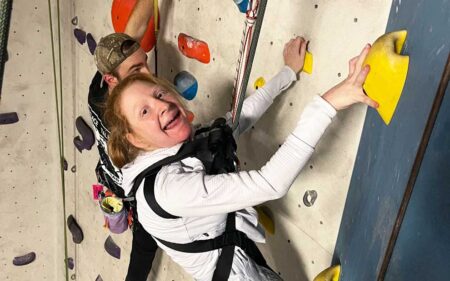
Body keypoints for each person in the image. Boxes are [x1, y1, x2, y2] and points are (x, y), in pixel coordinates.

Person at [104, 37, 378, 281]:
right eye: (144, 112)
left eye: (159, 94)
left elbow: (236, 121)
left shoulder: (173, 148)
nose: (161, 106)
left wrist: (287, 72)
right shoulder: (167, 189)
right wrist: (328, 103)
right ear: (136, 140)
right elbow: (270, 183)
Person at [87, 1, 159, 280]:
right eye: (136, 71)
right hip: (128, 192)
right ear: (112, 78)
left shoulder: (100, 88)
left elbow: (134, 31)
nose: (147, 73)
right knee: (141, 258)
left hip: (108, 178)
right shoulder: (130, 124)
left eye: (145, 63)